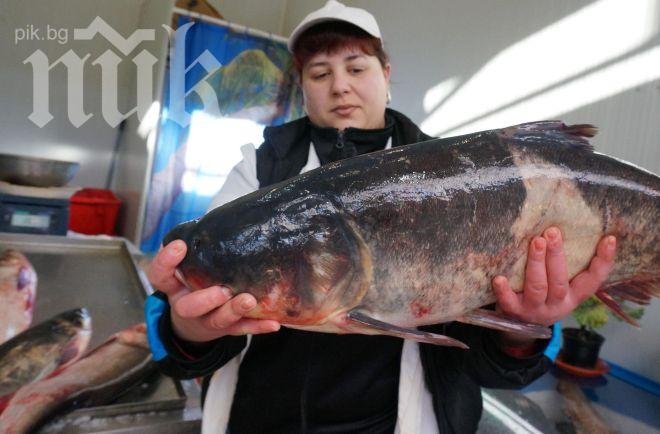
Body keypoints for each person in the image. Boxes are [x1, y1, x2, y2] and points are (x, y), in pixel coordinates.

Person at [145, 1, 616, 433]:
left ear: (386, 74)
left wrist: (526, 333)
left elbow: (499, 368)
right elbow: (180, 336)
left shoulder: (461, 179)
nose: (340, 85)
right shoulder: (260, 168)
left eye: (356, 67)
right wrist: (191, 327)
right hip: (259, 418)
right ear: (302, 88)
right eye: (319, 72)